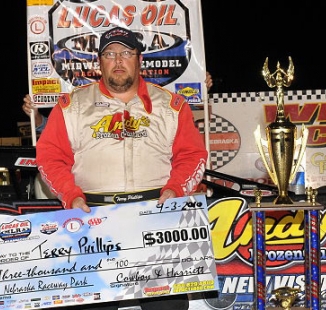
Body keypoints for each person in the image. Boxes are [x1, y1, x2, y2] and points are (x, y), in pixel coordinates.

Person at [35, 26, 208, 310]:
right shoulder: (72, 105)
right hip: (93, 219)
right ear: (99, 62)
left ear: (139, 59)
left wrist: (176, 189)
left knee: (167, 308)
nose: (118, 60)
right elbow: (50, 156)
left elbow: (192, 155)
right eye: (110, 54)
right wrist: (70, 195)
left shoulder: (172, 105)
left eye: (126, 53)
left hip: (156, 218)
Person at [22, 73, 214, 134]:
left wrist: (197, 84)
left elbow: (192, 115)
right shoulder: (81, 102)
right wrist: (36, 115)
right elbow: (53, 132)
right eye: (109, 56)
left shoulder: (158, 98)